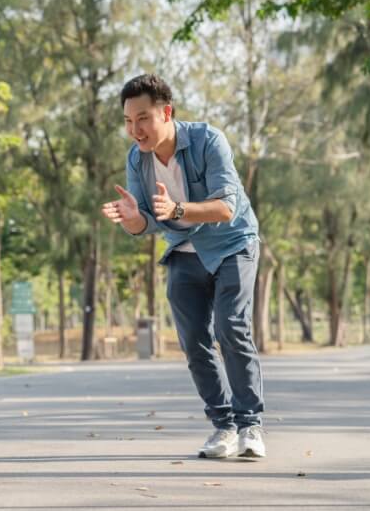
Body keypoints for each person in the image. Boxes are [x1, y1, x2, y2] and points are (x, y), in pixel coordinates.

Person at [101, 74, 265, 459]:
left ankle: (250, 424)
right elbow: (146, 222)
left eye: (142, 118)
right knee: (194, 341)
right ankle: (224, 425)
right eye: (127, 121)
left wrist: (177, 209)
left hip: (232, 245)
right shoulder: (136, 159)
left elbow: (225, 207)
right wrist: (132, 219)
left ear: (166, 112)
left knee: (231, 327)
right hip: (183, 249)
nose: (134, 130)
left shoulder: (209, 141)